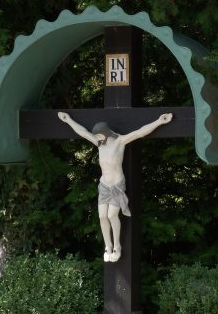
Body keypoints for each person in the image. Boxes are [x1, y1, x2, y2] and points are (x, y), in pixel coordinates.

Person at [57, 110, 173, 262]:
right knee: (102, 216)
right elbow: (83, 132)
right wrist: (68, 120)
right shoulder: (99, 143)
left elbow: (140, 132)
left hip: (117, 185)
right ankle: (108, 247)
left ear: (106, 133)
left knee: (112, 215)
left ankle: (117, 247)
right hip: (104, 186)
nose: (97, 138)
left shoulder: (120, 141)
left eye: (99, 135)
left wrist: (159, 121)